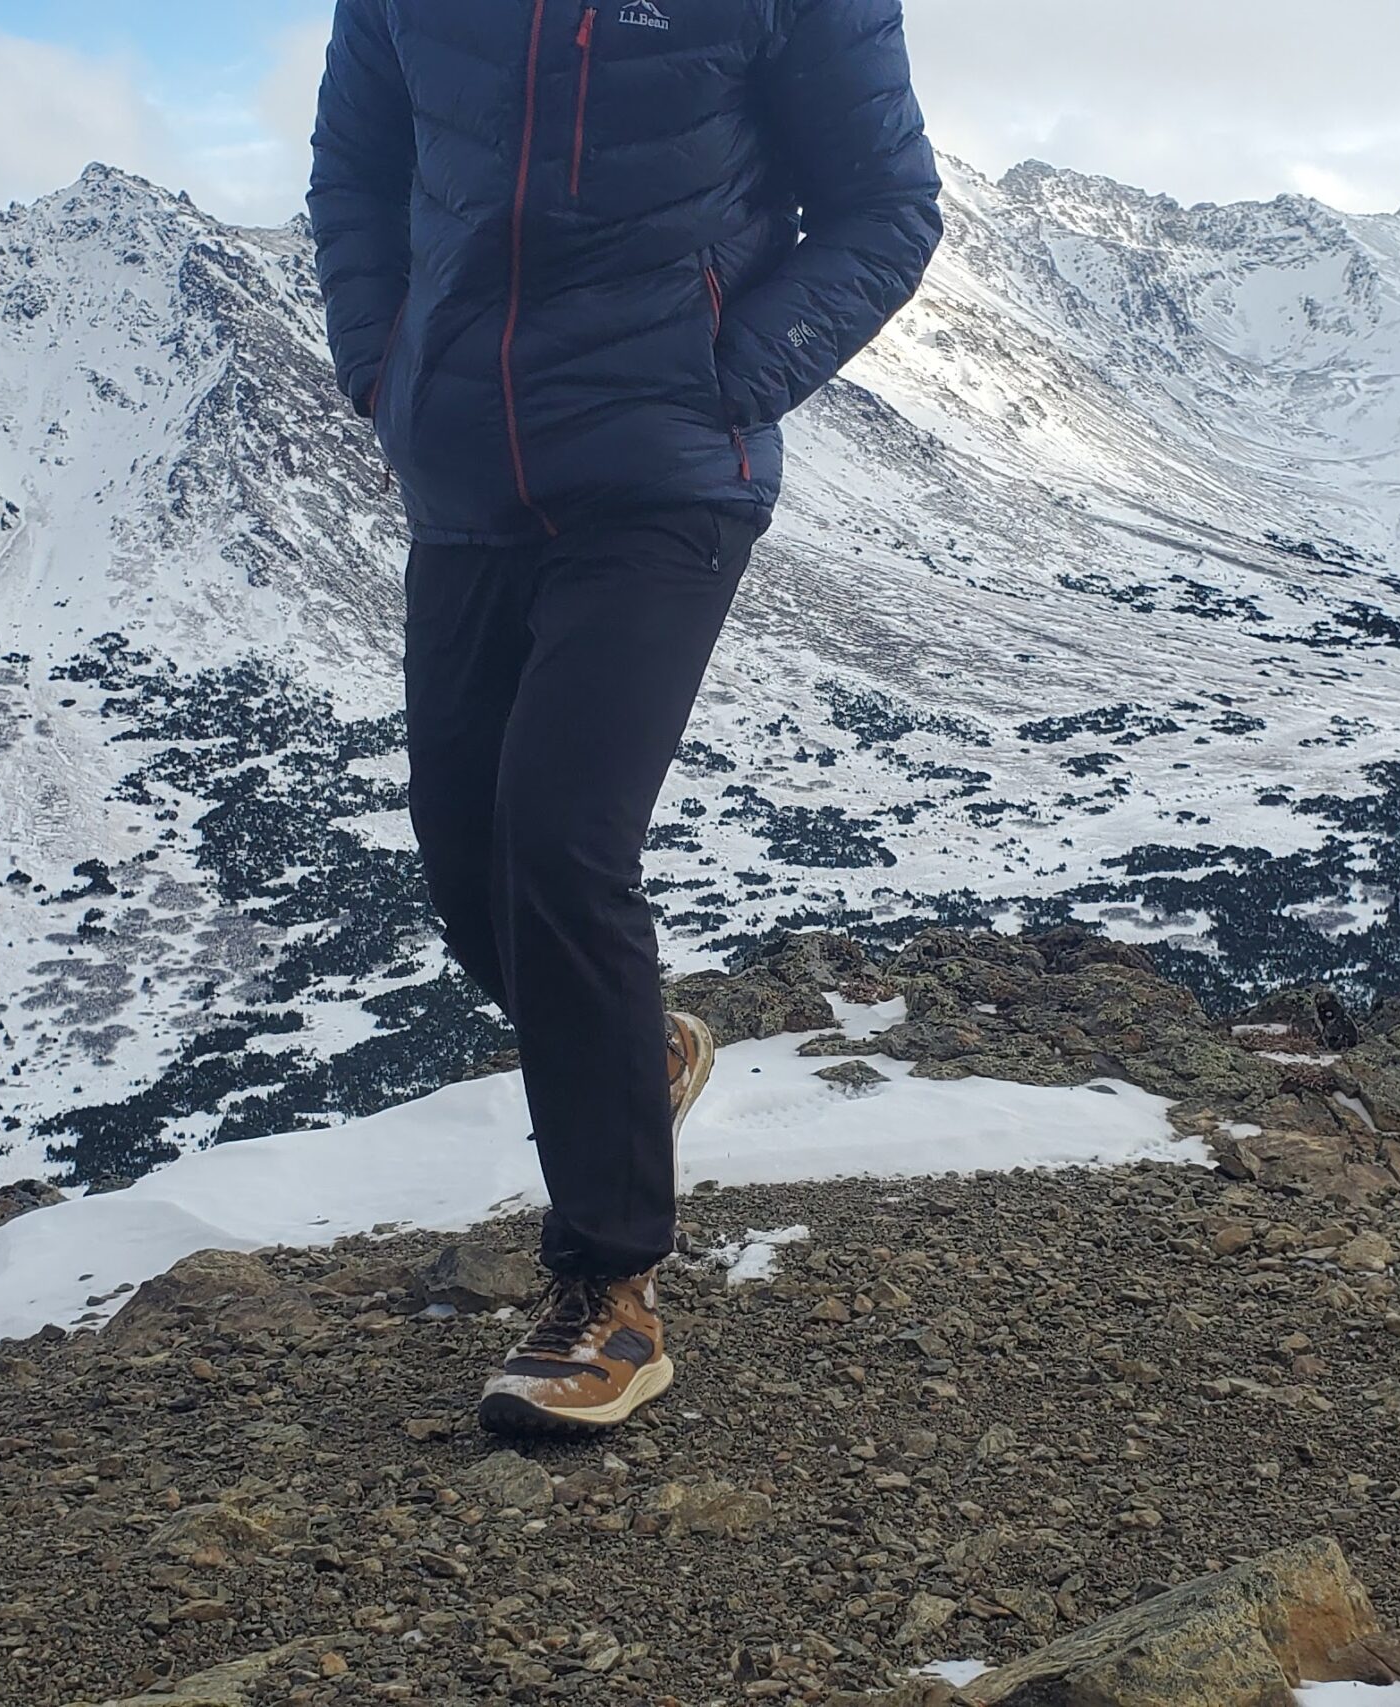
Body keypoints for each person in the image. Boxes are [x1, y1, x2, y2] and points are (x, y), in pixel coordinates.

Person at [308, 0, 942, 1435]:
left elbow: (887, 209)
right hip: (467, 482)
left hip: (665, 480)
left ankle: (611, 1291)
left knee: (561, 837)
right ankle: (630, 1054)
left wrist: (720, 382)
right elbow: (358, 167)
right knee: (470, 873)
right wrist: (385, 363)